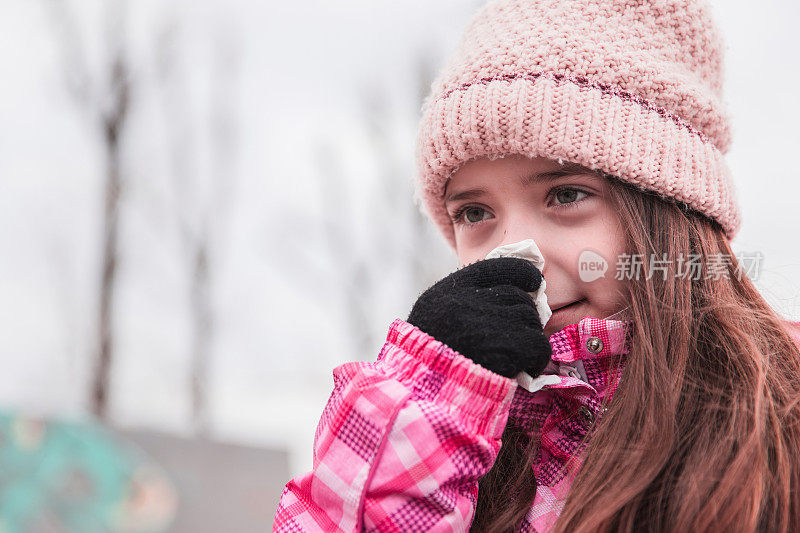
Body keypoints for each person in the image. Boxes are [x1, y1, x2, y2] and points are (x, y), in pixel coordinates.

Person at [273, 0, 800, 531]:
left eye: (566, 194)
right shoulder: (459, 428)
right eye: (474, 213)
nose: (517, 252)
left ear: (671, 208)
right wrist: (423, 410)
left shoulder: (784, 414)